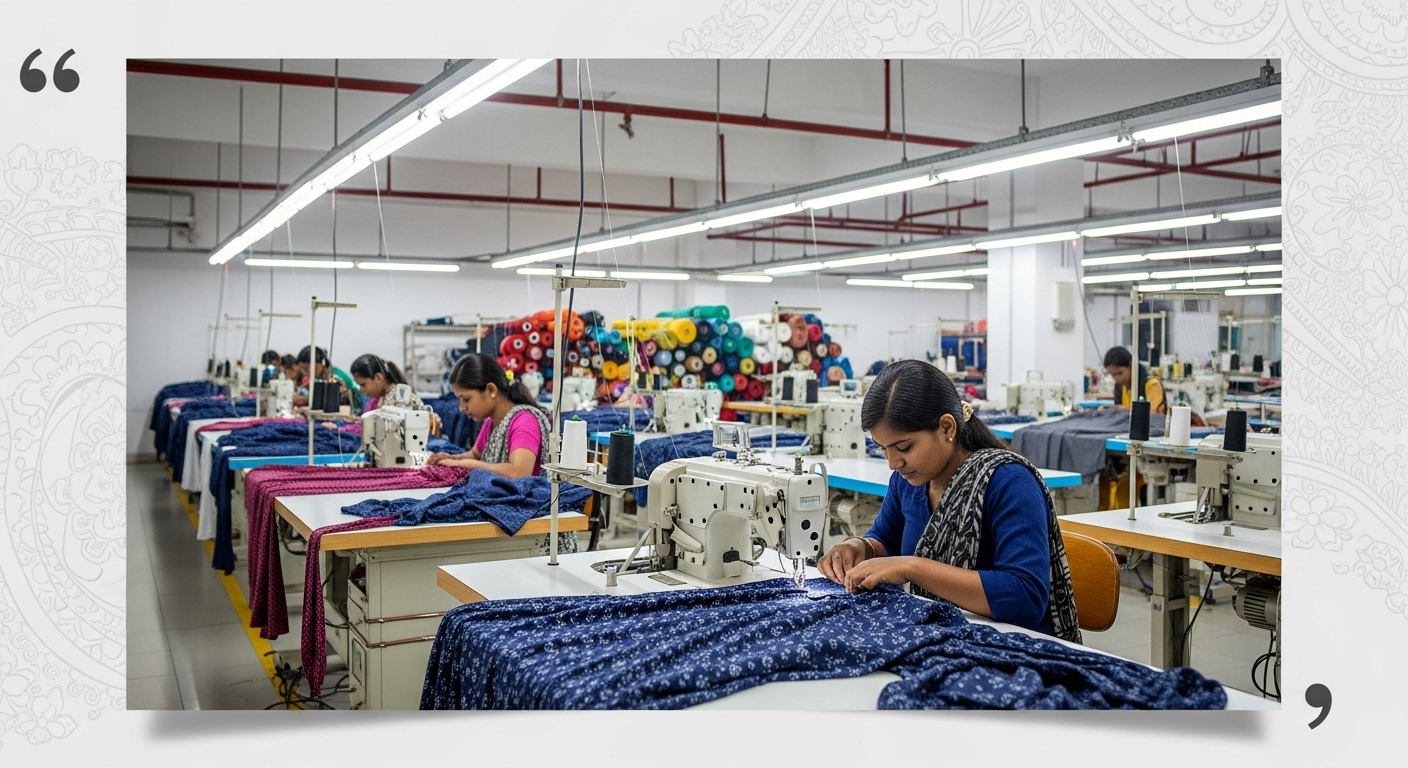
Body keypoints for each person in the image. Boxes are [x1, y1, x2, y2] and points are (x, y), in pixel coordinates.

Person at [816, 359, 1082, 643]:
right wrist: (859, 547)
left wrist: (913, 568)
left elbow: (1025, 596)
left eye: (904, 447)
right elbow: (885, 539)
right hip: (945, 633)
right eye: (883, 449)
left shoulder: (1008, 482)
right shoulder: (909, 480)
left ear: (946, 428)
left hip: (1015, 644)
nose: (893, 462)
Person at [426, 352, 577, 555]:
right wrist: (449, 459)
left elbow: (518, 472)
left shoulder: (524, 422)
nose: (462, 408)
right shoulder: (492, 421)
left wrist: (469, 466)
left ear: (491, 390)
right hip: (507, 515)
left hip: (531, 526)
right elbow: (475, 455)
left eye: (466, 399)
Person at [349, 353, 441, 435]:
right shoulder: (383, 398)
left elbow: (392, 434)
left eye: (363, 384)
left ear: (378, 378)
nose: (361, 390)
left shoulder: (400, 399)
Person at [293, 346, 364, 413]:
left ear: (319, 364)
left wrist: (307, 400)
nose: (305, 373)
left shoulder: (335, 378)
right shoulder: (321, 378)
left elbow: (335, 402)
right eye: (303, 370)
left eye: (306, 369)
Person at [1103, 346, 1166, 415]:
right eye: (1113, 375)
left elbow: (1152, 413)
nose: (1117, 379)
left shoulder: (1152, 385)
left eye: (1119, 373)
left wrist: (1125, 409)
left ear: (1131, 366)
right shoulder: (1120, 386)